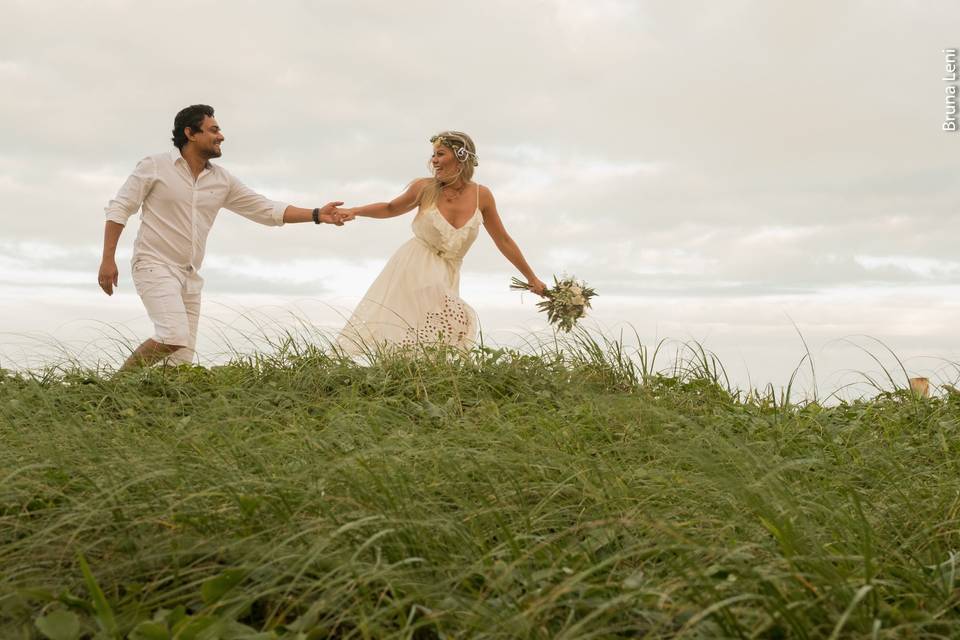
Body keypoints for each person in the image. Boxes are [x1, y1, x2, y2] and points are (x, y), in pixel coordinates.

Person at [98, 104, 351, 370]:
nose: (221, 136)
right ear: (191, 133)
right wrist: (107, 259)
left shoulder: (222, 180)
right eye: (214, 129)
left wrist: (316, 214)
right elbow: (120, 208)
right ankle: (114, 388)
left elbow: (265, 209)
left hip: (190, 276)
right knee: (173, 335)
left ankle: (159, 407)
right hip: (154, 265)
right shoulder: (155, 166)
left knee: (180, 364)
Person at [335, 131, 545, 354]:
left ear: (460, 158)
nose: (433, 160)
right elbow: (390, 208)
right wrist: (354, 210)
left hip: (449, 271)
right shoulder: (424, 188)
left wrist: (531, 277)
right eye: (433, 155)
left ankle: (416, 380)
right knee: (457, 320)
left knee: (431, 338)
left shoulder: (481, 196)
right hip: (415, 265)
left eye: (440, 154)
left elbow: (503, 240)